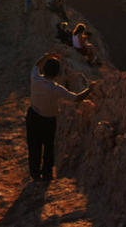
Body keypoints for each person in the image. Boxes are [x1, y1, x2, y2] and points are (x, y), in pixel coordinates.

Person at [26, 53, 92, 181]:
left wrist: (47, 56)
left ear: (44, 70)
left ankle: (35, 173)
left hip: (33, 116)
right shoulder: (56, 89)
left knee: (34, 146)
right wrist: (90, 89)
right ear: (57, 74)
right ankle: (47, 173)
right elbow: (77, 98)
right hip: (48, 121)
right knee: (48, 146)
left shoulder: (35, 78)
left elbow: (36, 65)